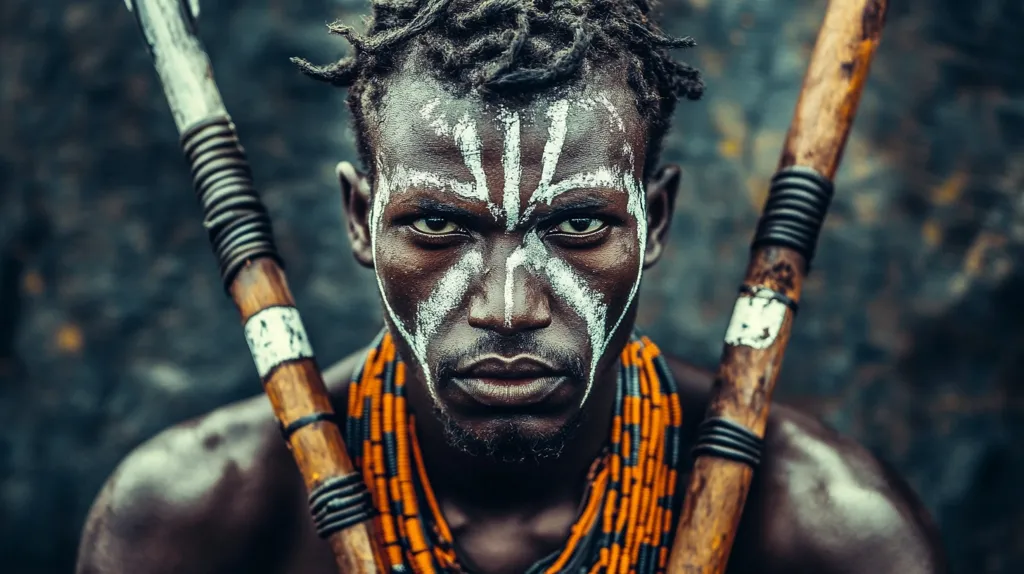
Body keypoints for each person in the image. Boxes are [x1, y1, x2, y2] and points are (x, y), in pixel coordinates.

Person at [76, 0, 948, 572]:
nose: (508, 306)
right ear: (358, 220)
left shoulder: (830, 537)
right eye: (440, 227)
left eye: (575, 227)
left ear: (656, 222)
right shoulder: (191, 527)